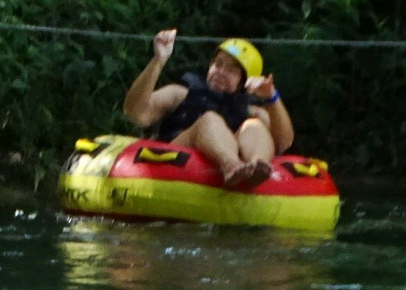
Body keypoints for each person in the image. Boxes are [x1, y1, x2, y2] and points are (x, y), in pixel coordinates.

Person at [123, 30, 294, 188]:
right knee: (210, 119)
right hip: (177, 159)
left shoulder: (253, 112)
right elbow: (136, 113)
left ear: (243, 82)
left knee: (255, 126)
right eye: (218, 64)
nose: (220, 71)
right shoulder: (180, 94)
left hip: (230, 167)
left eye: (231, 70)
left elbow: (283, 144)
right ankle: (232, 165)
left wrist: (272, 96)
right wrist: (158, 61)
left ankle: (257, 167)